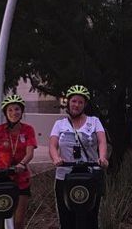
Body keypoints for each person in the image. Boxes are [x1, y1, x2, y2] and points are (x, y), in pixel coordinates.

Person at [49, 84, 108, 228]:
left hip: (90, 174)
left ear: (85, 104)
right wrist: (56, 158)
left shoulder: (94, 121)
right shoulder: (60, 124)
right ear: (68, 102)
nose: (76, 105)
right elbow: (52, 145)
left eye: (80, 102)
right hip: (65, 175)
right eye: (74, 101)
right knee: (66, 217)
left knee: (90, 217)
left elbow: (102, 141)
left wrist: (102, 158)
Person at [0, 94, 37, 229]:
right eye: (10, 110)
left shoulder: (28, 129)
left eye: (17, 109)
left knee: (18, 222)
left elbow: (30, 153)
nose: (14, 113)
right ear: (5, 113)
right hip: (1, 177)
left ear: (22, 111)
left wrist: (22, 164)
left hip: (21, 178)